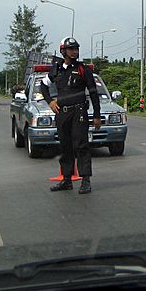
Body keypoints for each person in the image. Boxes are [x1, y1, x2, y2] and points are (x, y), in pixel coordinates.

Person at [40, 37, 101, 195]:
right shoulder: (57, 69)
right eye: (71, 49)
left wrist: (96, 115)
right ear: (63, 51)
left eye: (76, 49)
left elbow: (93, 93)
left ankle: (85, 180)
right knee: (65, 146)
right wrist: (50, 102)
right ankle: (67, 179)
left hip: (79, 112)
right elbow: (43, 86)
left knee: (81, 146)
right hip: (62, 113)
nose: (75, 52)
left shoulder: (83, 69)